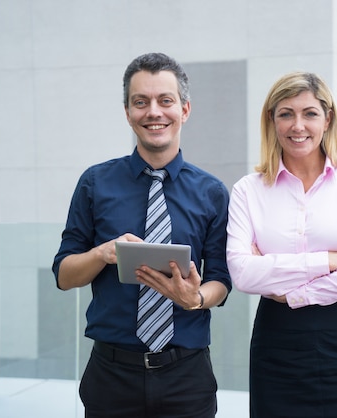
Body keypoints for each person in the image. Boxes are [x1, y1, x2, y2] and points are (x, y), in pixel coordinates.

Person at [52, 52, 231, 418]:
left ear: (184, 110)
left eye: (165, 101)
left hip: (187, 375)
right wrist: (101, 254)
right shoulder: (94, 183)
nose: (153, 112)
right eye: (140, 102)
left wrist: (195, 298)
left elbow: (222, 281)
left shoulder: (212, 192)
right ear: (127, 112)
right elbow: (64, 275)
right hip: (111, 375)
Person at [226, 71, 337, 418]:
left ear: (327, 119)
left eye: (310, 113)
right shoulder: (248, 190)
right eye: (285, 113)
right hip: (277, 346)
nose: (297, 125)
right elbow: (243, 274)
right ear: (271, 121)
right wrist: (332, 259)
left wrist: (291, 292)